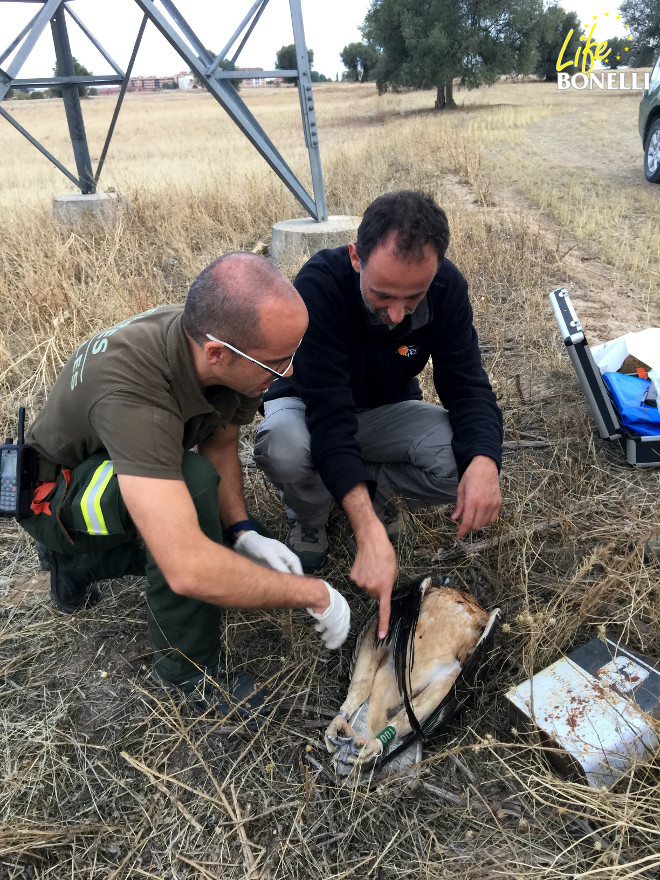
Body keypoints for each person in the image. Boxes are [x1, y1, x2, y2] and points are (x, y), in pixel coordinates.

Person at [19, 252, 352, 718]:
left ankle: (77, 567)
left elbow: (219, 443)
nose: (289, 372)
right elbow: (187, 569)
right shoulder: (135, 390)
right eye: (278, 363)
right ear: (218, 354)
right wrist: (312, 594)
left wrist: (242, 531)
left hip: (108, 469)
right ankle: (188, 671)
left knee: (202, 502)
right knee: (192, 492)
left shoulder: (224, 346)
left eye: (291, 355)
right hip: (53, 497)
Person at [254, 190, 503, 613]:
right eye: (383, 294)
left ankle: (361, 489)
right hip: (309, 407)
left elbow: (467, 384)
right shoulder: (320, 285)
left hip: (383, 410)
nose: (396, 315)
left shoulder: (447, 287)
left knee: (464, 458)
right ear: (356, 257)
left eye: (413, 298)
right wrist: (367, 532)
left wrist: (485, 461)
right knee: (285, 445)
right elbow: (330, 418)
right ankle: (310, 515)